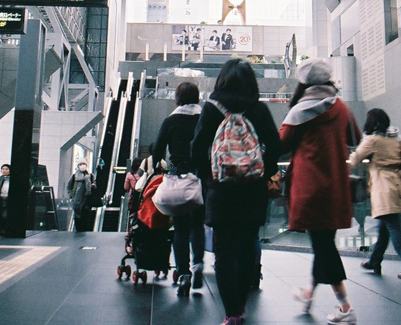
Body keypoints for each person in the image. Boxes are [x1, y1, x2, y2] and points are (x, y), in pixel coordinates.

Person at [191, 59, 280, 325]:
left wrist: (209, 179)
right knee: (246, 250)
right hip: (253, 192)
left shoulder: (212, 109)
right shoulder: (259, 109)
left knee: (224, 253)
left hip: (221, 192)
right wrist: (263, 174)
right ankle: (240, 306)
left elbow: (197, 149)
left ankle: (231, 313)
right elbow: (275, 146)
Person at [279, 58, 360, 324]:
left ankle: (345, 307)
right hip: (336, 186)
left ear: (303, 82)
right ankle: (308, 293)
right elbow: (356, 138)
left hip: (309, 188)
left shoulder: (299, 111)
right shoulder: (342, 108)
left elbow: (281, 143)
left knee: (323, 246)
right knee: (323, 242)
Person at [152, 81, 205, 294]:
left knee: (180, 229)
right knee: (197, 225)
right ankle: (198, 264)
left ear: (178, 98)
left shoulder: (170, 121)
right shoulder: (204, 119)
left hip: (178, 179)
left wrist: (158, 164)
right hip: (200, 180)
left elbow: (157, 151)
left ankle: (184, 274)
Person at [349, 108, 401, 280]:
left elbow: (355, 159)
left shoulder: (373, 140)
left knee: (393, 228)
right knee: (384, 228)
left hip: (383, 187)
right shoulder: (396, 139)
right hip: (398, 185)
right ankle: (374, 261)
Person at [66, 160, 96, 232]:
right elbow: (69, 187)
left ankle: (83, 230)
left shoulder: (91, 176)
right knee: (77, 217)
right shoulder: (74, 176)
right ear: (78, 166)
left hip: (86, 200)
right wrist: (72, 196)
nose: (82, 165)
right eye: (81, 164)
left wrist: (93, 187)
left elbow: (95, 187)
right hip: (77, 201)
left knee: (85, 217)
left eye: (84, 164)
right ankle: (78, 230)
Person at [0, 163, 11, 234]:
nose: (4, 171)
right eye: (3, 169)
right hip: (0, 200)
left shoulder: (10, 179)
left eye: (6, 169)